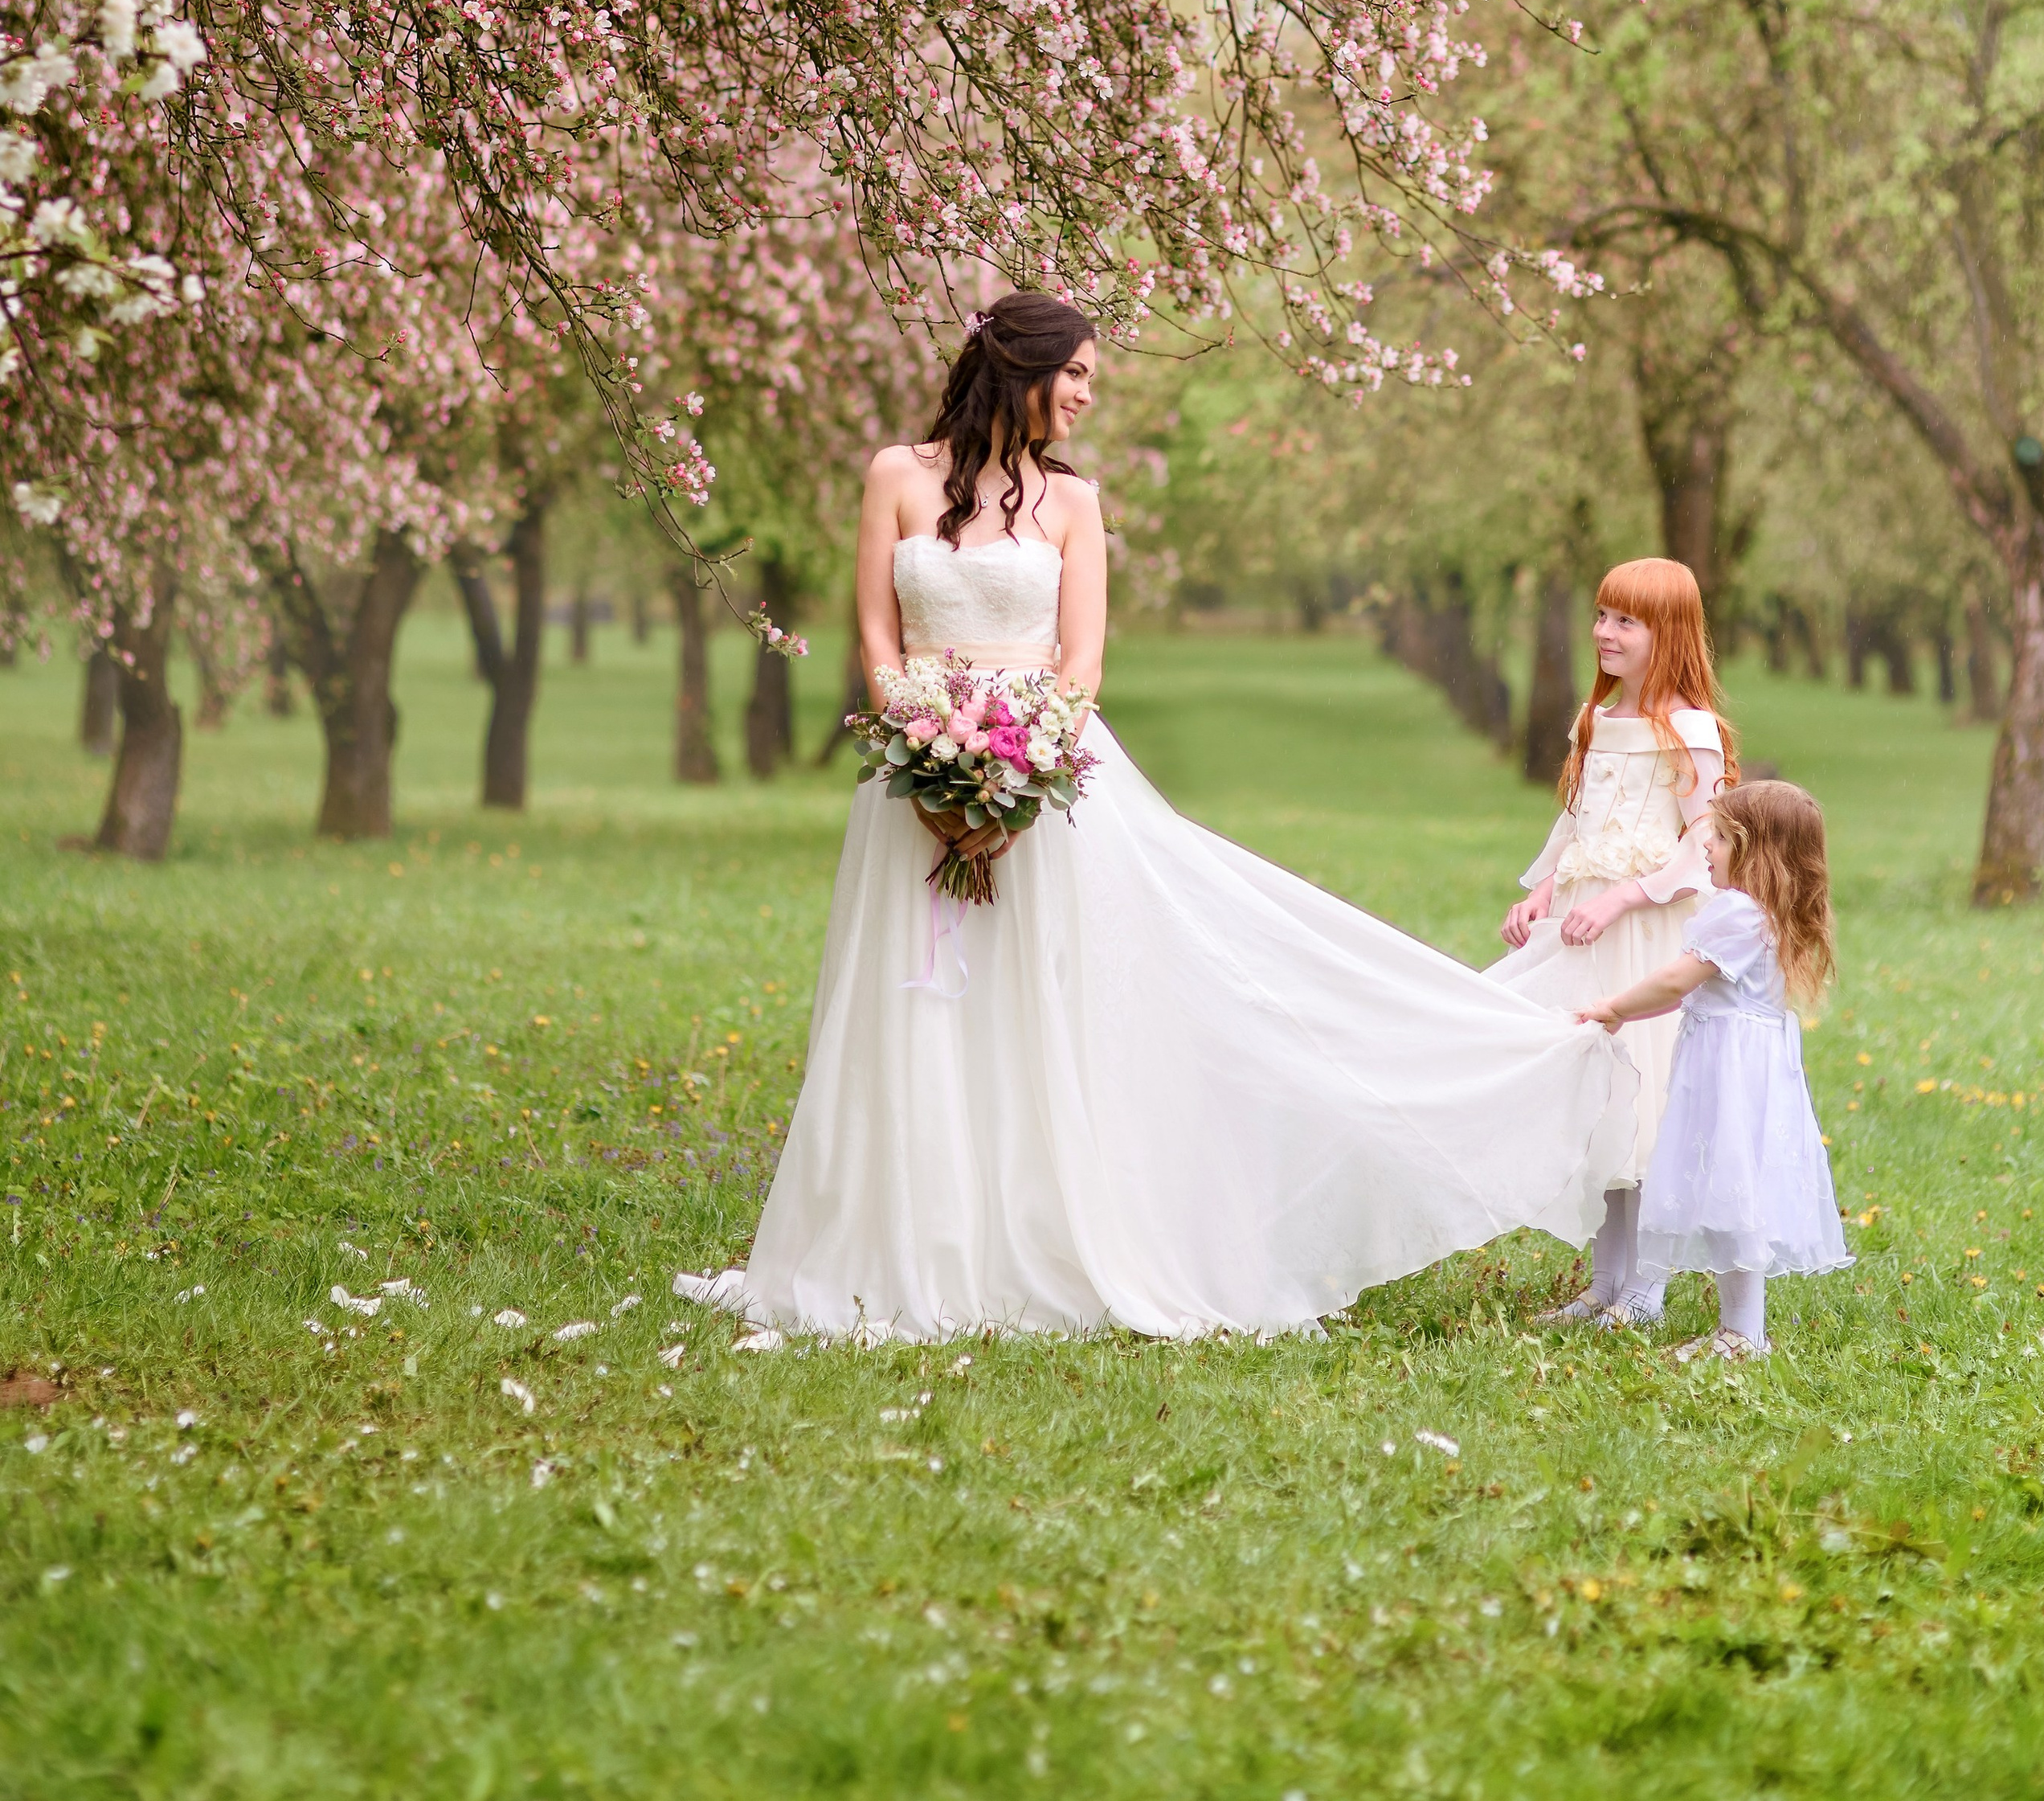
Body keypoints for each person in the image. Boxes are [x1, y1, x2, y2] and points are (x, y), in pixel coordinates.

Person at [677, 290, 1637, 1341]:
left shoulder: (1073, 502)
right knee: (915, 999)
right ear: (1018, 364)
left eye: (1094, 376)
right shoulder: (894, 474)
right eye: (1076, 372)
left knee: (1040, 1003)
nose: (1088, 393)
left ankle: (1043, 1235)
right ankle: (905, 1239)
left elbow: (1082, 656)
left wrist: (1018, 771)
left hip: (1045, 773)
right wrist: (927, 750)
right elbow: (875, 630)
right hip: (912, 774)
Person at [1489, 559, 1735, 1328]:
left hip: (1649, 930)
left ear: (1669, 632)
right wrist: (1543, 891)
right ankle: (1606, 1280)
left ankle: (1647, 1289)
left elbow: (1705, 843)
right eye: (1601, 614)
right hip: (1586, 926)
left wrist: (1624, 895)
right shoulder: (1594, 721)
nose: (1603, 632)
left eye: (1626, 621)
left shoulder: (1689, 732)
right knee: (1600, 1102)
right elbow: (1577, 820)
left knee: (1646, 1105)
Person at [1578, 780, 1849, 1361]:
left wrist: (1614, 1008)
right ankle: (1742, 1328)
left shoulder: (1735, 913)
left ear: (1759, 852)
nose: (1706, 848)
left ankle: (1744, 1333)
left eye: (1723, 839)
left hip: (1729, 1076)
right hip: (1750, 1071)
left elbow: (1677, 981)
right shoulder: (1771, 913)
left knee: (1733, 1202)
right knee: (1736, 1201)